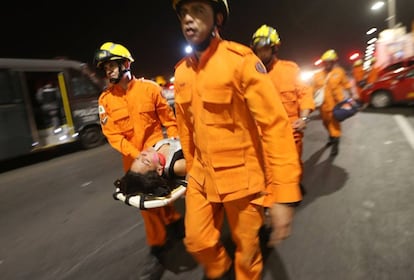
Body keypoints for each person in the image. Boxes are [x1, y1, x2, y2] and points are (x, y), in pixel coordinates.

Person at [171, 1, 302, 279]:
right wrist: (191, 169)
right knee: (197, 241)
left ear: (218, 18)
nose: (188, 20)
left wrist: (283, 196)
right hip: (201, 176)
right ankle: (220, 269)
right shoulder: (181, 72)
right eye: (184, 13)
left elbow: (275, 127)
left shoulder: (241, 61)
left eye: (198, 11)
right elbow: (185, 129)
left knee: (248, 250)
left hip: (243, 180)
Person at [94, 42, 183, 280]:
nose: (108, 71)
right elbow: (112, 135)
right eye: (105, 68)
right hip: (135, 162)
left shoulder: (150, 89)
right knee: (146, 207)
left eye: (112, 65)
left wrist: (174, 142)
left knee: (166, 194)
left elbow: (169, 120)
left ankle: (174, 224)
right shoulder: (106, 101)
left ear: (126, 64)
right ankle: (157, 248)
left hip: (160, 156)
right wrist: (137, 156)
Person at [250, 24, 315, 194]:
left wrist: (305, 118)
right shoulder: (251, 74)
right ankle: (275, 201)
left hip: (291, 133)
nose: (260, 53)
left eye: (264, 48)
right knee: (268, 172)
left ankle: (295, 185)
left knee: (294, 166)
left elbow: (305, 93)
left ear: (274, 48)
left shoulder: (290, 69)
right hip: (264, 135)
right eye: (257, 49)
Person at [310, 49, 355, 157]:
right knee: (326, 123)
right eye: (326, 62)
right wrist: (310, 103)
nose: (328, 64)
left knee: (335, 125)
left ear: (334, 62)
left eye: (330, 62)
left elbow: (346, 84)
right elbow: (312, 90)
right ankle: (331, 136)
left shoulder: (339, 72)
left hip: (336, 105)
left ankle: (335, 143)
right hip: (323, 106)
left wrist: (352, 95)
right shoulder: (317, 75)